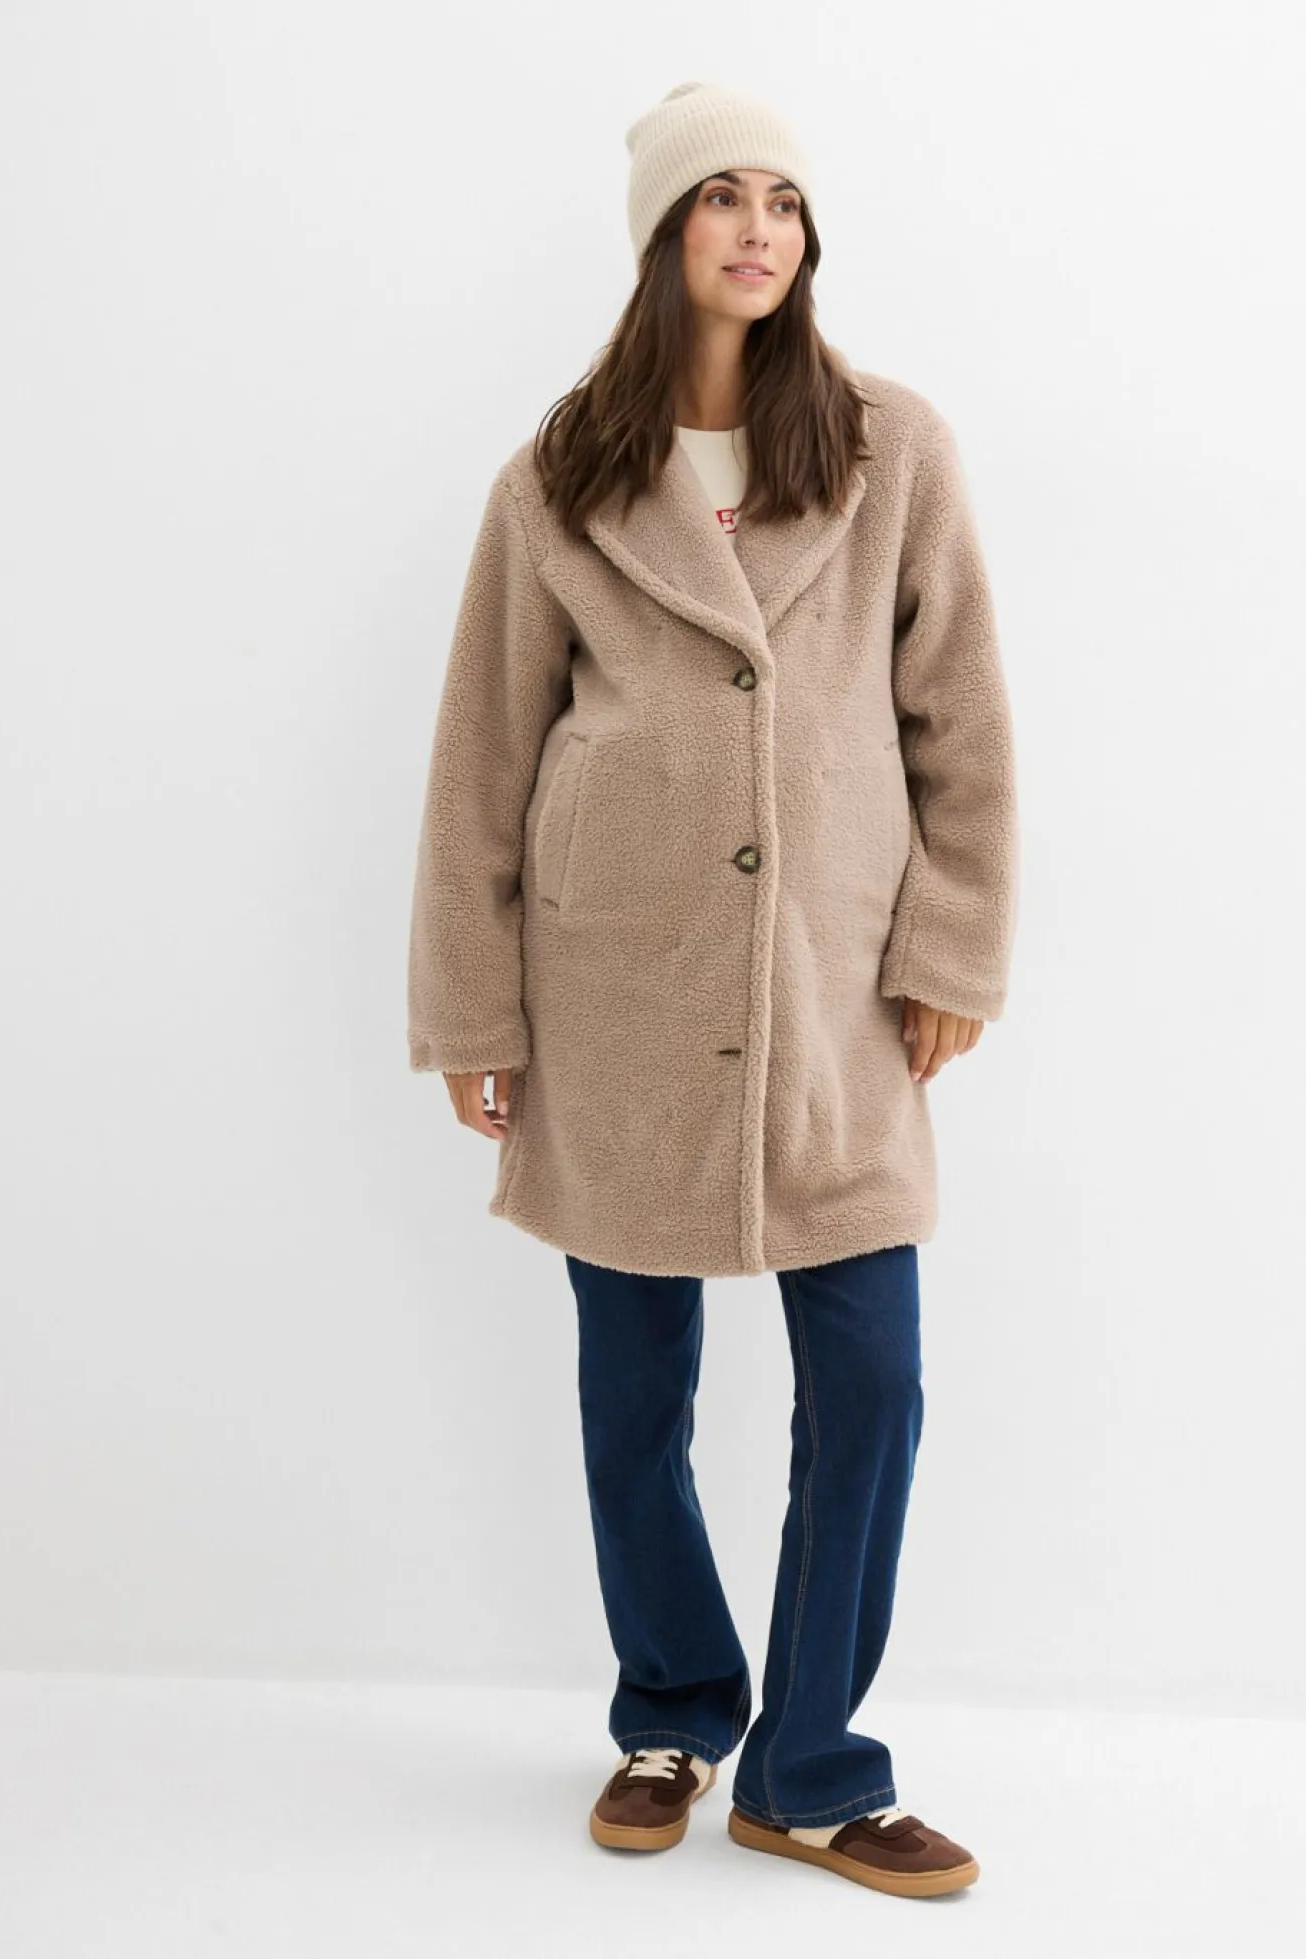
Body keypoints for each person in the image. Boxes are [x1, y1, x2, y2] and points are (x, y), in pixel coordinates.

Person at [406, 79, 1019, 1900]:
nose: (759, 228)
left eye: (784, 201)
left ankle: (810, 1766)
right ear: (664, 234)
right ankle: (672, 1707)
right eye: (721, 198)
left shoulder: (893, 448)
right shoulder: (560, 475)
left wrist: (950, 948)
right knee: (633, 1392)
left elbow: (963, 723)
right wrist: (475, 1011)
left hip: (837, 993)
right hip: (617, 988)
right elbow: (482, 753)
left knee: (874, 1381)